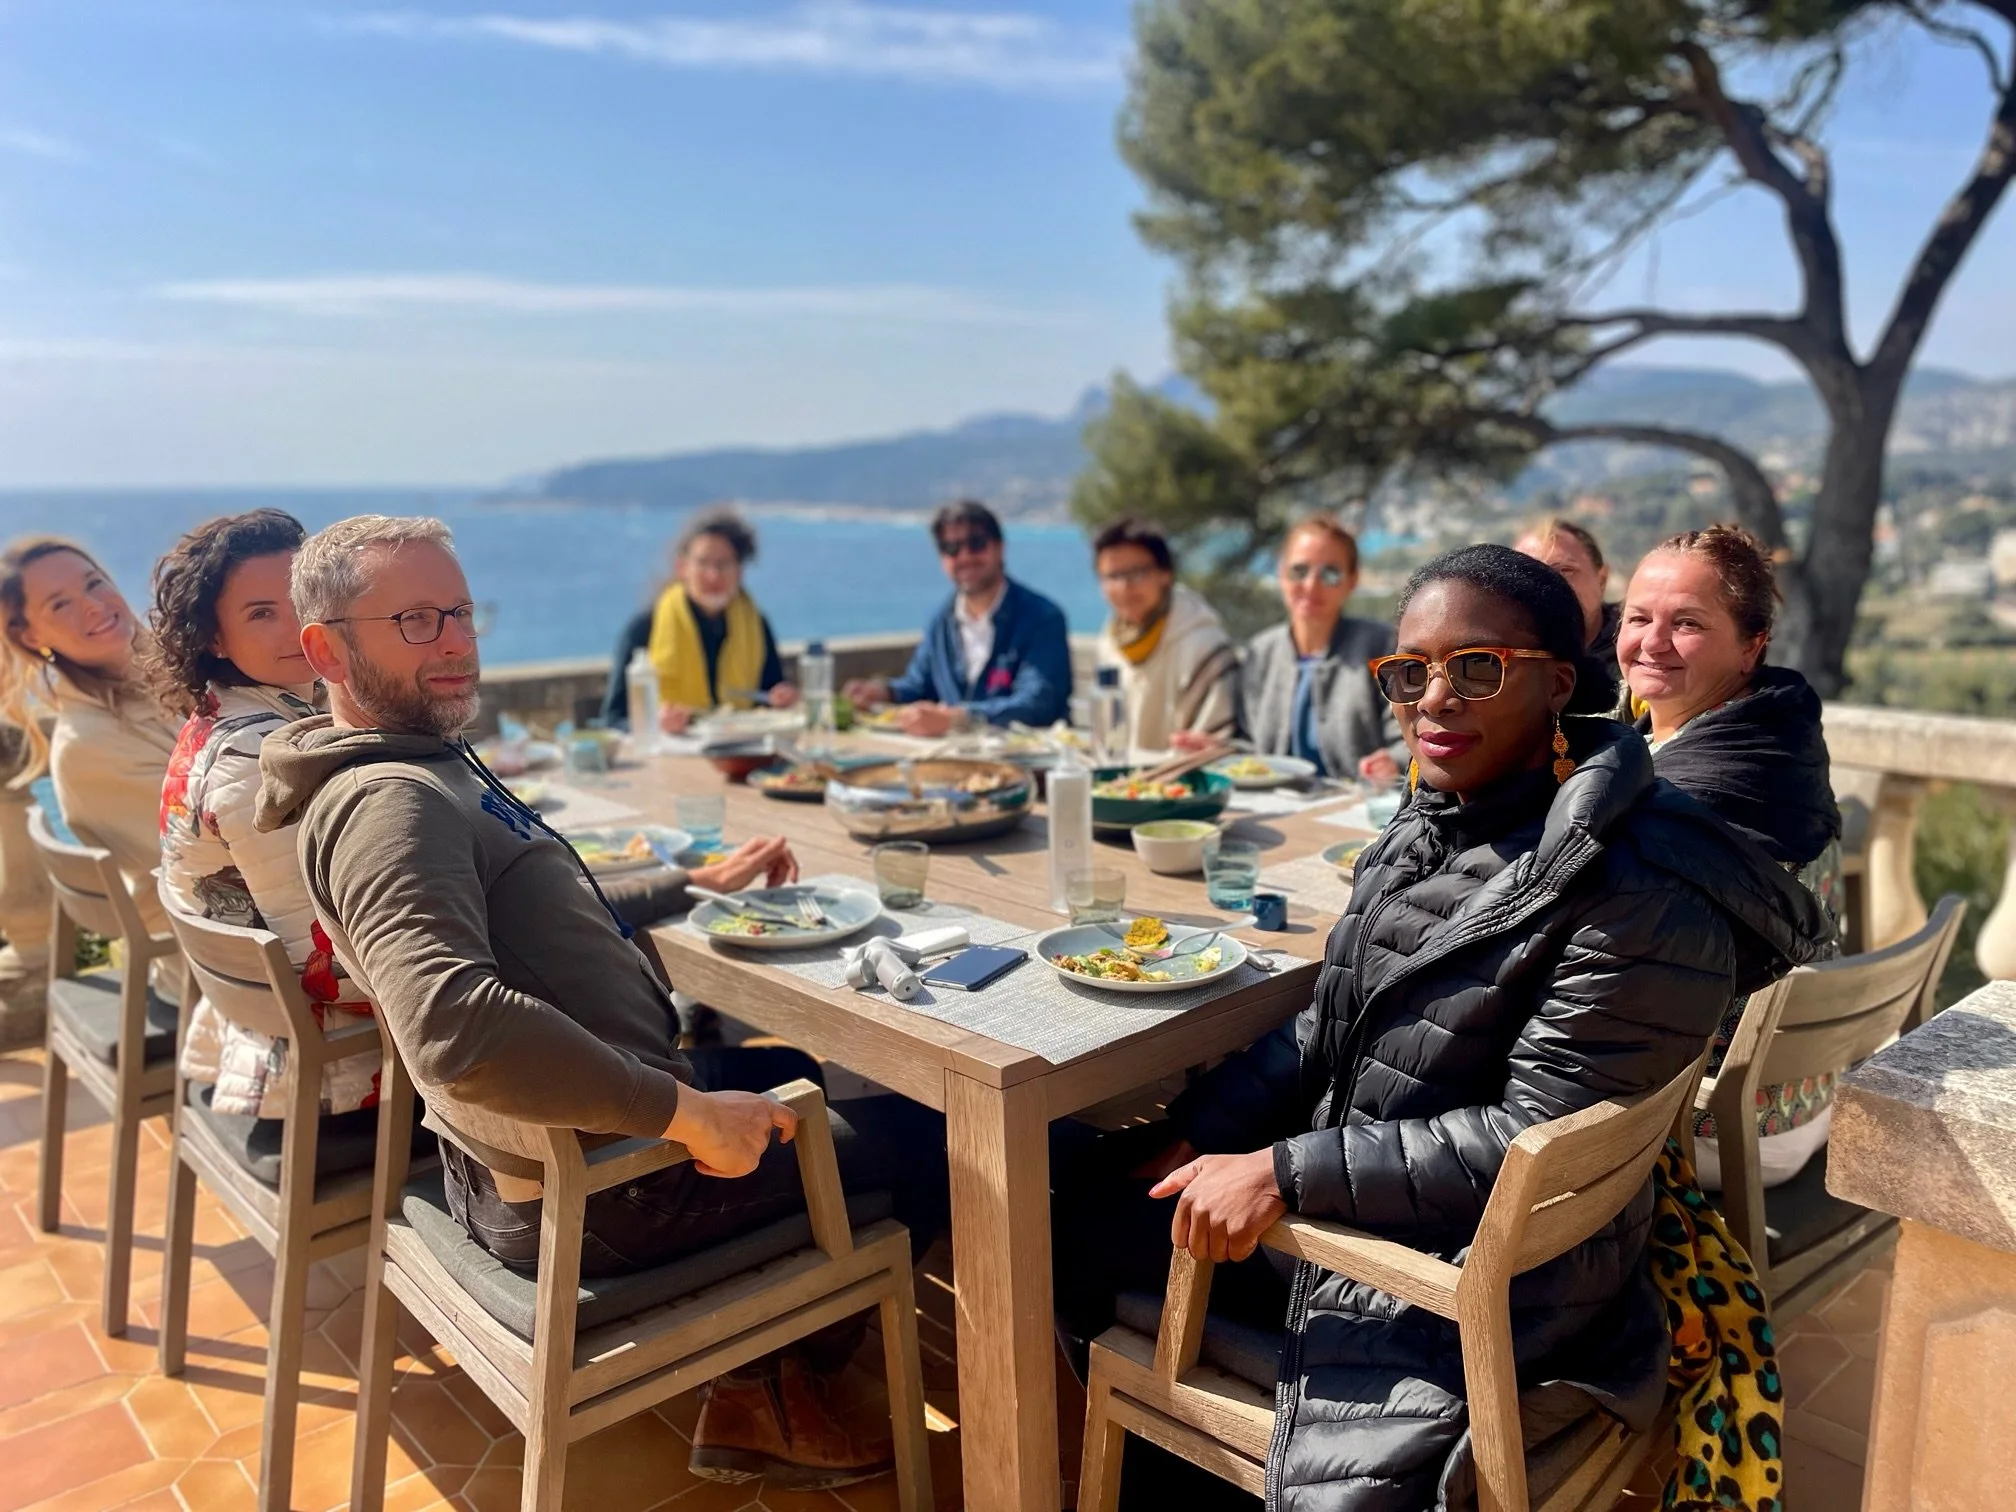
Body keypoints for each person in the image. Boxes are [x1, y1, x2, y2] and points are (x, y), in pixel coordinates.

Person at [1052, 544, 1831, 1510]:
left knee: (1059, 1215)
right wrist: (1203, 1128)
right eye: (1409, 672)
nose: (1434, 699)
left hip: (1463, 1292)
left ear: (1556, 684)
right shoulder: (1431, 826)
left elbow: (1522, 1145)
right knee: (1079, 1166)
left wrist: (1280, 1172)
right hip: (1391, 1212)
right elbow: (1323, 1030)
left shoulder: (1636, 884)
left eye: (1477, 668)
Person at [257, 514, 947, 1489]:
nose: (454, 640)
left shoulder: (405, 762)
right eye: (414, 619)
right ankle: (772, 1390)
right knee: (944, 1140)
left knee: (791, 1072)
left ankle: (763, 1363)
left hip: (550, 1155)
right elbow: (453, 1024)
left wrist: (695, 885)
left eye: (459, 611)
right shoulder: (390, 802)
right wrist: (687, 1116)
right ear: (327, 646)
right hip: (608, 1188)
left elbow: (540, 914)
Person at [1619, 523, 1843, 1190]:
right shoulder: (1771, 729)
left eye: (1686, 623)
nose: (1652, 642)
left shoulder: (1710, 783)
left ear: (1752, 646)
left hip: (1725, 1122)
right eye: (1638, 618)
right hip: (1795, 1094)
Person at [150, 509, 384, 1120]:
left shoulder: (221, 725)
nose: (296, 627)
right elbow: (333, 965)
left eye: (301, 599)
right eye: (261, 613)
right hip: (341, 1082)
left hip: (271, 1057)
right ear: (215, 639)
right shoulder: (257, 758)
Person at [0, 537, 182, 994]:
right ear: (31, 636)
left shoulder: (180, 680)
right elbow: (211, 857)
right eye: (61, 604)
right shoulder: (90, 745)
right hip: (217, 960)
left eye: (94, 584)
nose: (93, 606)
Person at [842, 500, 1071, 737]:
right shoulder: (942, 621)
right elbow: (920, 685)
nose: (965, 556)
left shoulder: (1042, 618)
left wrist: (957, 719)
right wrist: (882, 693)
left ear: (1000, 548)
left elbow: (1040, 703)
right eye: (951, 548)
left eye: (976, 543)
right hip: (955, 762)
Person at [601, 508, 799, 734]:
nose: (713, 575)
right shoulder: (644, 628)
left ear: (740, 571)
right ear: (682, 568)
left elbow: (768, 696)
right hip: (671, 758)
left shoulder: (756, 624)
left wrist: (781, 699)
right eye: (703, 563)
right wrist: (655, 723)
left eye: (723, 564)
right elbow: (614, 719)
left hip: (739, 750)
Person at [1234, 515, 1399, 779]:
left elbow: (1409, 737)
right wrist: (1215, 750)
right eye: (1299, 571)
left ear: (1352, 581)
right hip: (1270, 805)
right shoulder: (1260, 652)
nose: (1311, 585)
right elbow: (1246, 743)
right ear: (1281, 574)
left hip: (1358, 807)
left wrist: (1393, 762)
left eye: (1330, 573)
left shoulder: (1382, 646)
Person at [1089, 518, 1237, 758]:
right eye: (1113, 576)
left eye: (1137, 573)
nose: (1125, 586)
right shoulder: (1110, 642)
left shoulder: (1204, 646)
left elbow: (1213, 747)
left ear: (1165, 574)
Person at [1514, 515, 1621, 713]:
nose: (1547, 584)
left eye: (1565, 570)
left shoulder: (1641, 648)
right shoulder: (1502, 655)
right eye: (1528, 573)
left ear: (1602, 580)